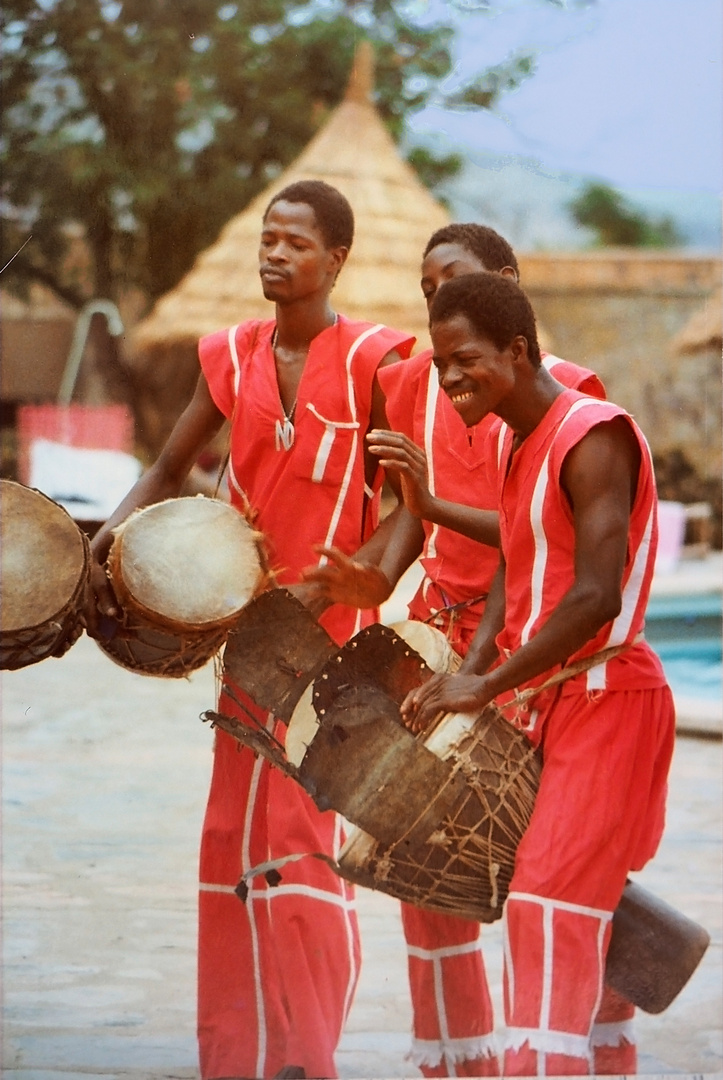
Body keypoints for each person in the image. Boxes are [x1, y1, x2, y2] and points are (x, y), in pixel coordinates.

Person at [85, 179, 415, 1080]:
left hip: (338, 651)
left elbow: (408, 508)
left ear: (334, 259)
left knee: (299, 849)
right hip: (247, 644)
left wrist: (363, 578)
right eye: (266, 238)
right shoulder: (230, 354)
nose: (273, 253)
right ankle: (238, 1059)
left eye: (295, 242)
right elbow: (165, 464)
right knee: (232, 842)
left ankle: (307, 1056)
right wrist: (101, 544)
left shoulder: (380, 363)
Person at [304, 224, 606, 1077]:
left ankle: (577, 1035)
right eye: (426, 282)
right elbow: (410, 513)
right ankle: (456, 1060)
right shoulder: (409, 383)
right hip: (440, 628)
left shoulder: (568, 392)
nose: (438, 295)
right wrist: (374, 582)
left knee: (548, 850)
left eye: (459, 280)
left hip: (528, 637)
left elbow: (540, 536)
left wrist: (484, 659)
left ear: (507, 289)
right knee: (420, 847)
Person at [400, 271, 675, 1077]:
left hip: (606, 697)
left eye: (466, 360)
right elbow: (521, 552)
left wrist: (481, 683)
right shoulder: (524, 440)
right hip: (556, 699)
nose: (449, 379)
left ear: (517, 351)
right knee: (576, 906)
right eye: (440, 362)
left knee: (547, 908)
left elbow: (595, 593)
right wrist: (479, 669)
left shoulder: (592, 433)